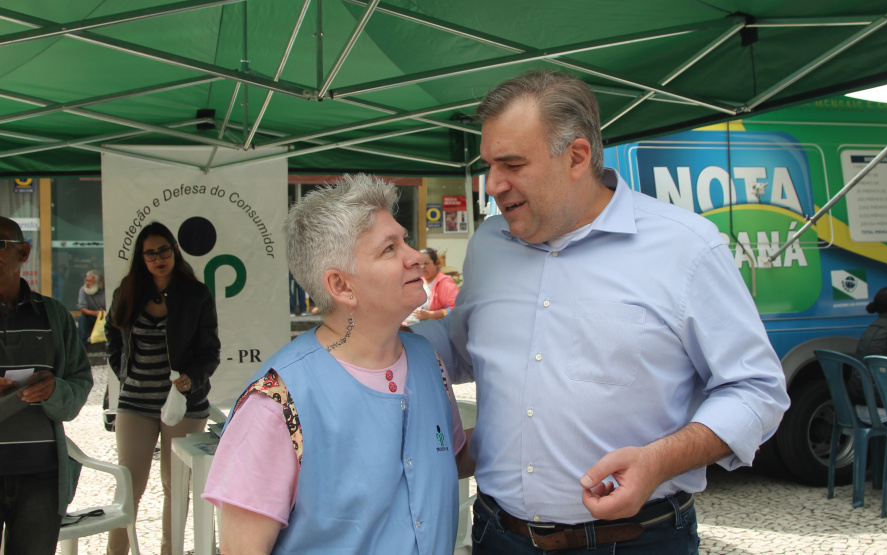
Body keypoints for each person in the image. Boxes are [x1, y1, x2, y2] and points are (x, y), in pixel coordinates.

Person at [414, 70, 790, 554]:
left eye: (511, 164)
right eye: (488, 164)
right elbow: (461, 348)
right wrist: (365, 342)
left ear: (576, 156)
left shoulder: (686, 246)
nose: (492, 185)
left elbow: (757, 390)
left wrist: (659, 461)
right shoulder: (489, 242)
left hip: (637, 540)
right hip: (497, 533)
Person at [202, 174, 473, 554]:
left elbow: (451, 458)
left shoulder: (428, 361)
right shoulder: (276, 403)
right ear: (342, 286)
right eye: (389, 249)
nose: (415, 256)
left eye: (405, 240)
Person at [105, 221, 220, 555]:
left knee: (175, 486)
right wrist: (122, 370)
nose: (158, 258)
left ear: (175, 251)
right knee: (129, 485)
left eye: (164, 250)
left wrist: (190, 379)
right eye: (150, 253)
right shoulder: (127, 290)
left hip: (182, 404)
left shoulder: (195, 293)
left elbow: (210, 351)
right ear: (141, 258)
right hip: (134, 402)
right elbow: (113, 335)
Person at [0, 217, 93, 555]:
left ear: (23, 252)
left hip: (41, 475)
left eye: (0, 245)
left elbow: (80, 385)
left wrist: (55, 391)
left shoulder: (52, 315)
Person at [411, 247, 460, 322]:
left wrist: (430, 315)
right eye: (420, 263)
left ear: (436, 263)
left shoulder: (445, 283)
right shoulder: (416, 280)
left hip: (437, 328)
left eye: (426, 263)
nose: (423, 267)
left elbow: (455, 309)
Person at [77, 269, 106, 347]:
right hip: (92, 316)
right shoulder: (83, 290)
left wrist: (102, 313)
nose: (87, 283)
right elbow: (82, 308)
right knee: (82, 318)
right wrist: (95, 313)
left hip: (105, 316)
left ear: (98, 282)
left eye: (90, 281)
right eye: (86, 281)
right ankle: (82, 345)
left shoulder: (105, 291)